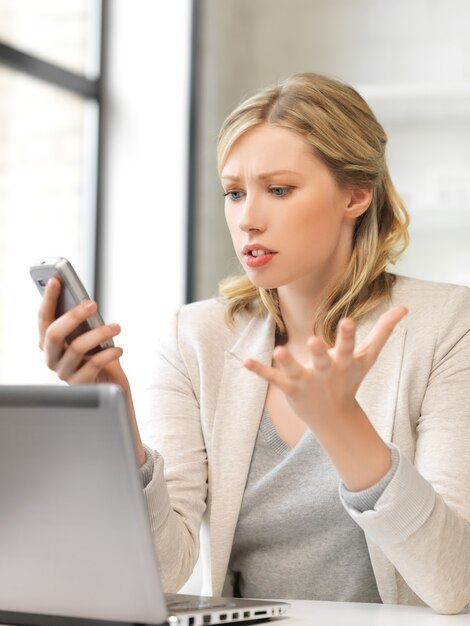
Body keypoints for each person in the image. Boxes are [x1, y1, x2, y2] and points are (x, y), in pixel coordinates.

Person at [38, 73, 470, 614]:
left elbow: (454, 582)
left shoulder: (449, 324)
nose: (247, 219)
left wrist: (341, 423)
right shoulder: (194, 338)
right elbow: (163, 569)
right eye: (235, 193)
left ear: (356, 195)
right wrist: (112, 411)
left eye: (279, 190)